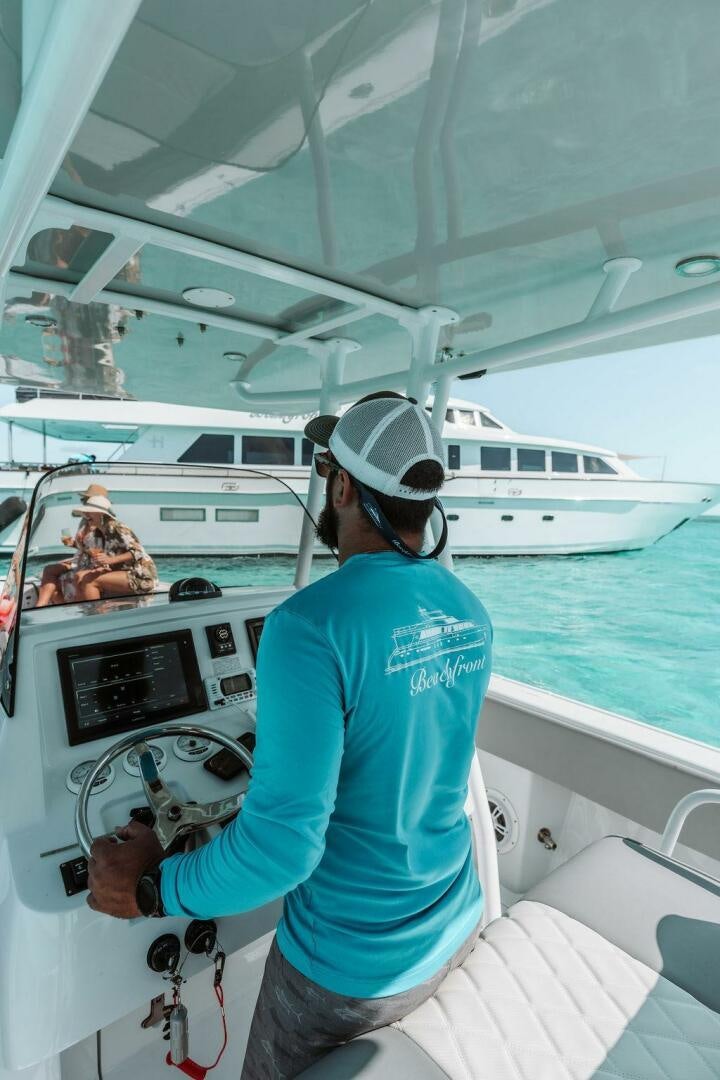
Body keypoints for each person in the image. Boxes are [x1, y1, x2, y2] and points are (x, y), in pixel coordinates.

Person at [86, 393, 493, 1078]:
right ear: (424, 502)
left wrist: (154, 887)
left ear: (340, 486)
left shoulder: (308, 626)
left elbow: (279, 852)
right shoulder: (467, 609)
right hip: (455, 920)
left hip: (348, 972)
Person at [36, 490, 157, 606]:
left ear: (101, 513)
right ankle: (83, 613)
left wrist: (110, 560)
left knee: (89, 580)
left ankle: (94, 619)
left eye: (89, 511)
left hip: (140, 574)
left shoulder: (117, 527)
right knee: (81, 576)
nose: (86, 514)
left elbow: (138, 552)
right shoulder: (99, 531)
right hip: (122, 571)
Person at [35, 483, 110, 607]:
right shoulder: (85, 520)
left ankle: (47, 607)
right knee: (48, 570)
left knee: (52, 578)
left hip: (91, 564)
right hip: (81, 560)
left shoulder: (101, 524)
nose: (83, 502)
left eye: (86, 500)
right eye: (84, 500)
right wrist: (73, 544)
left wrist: (81, 552)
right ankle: (41, 606)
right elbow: (86, 546)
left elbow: (101, 550)